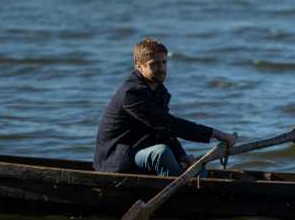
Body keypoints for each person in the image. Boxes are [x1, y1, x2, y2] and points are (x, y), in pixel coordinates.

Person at [93, 37, 236, 176]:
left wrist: (182, 157)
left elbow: (165, 132)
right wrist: (217, 134)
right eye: (154, 64)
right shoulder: (132, 93)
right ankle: (184, 189)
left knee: (198, 169)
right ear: (138, 66)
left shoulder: (159, 91)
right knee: (161, 153)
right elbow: (169, 124)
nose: (161, 68)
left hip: (139, 152)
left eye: (164, 62)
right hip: (116, 162)